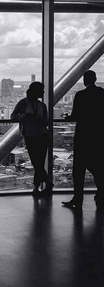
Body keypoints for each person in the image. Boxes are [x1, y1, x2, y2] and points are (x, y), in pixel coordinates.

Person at [62, 70, 104, 210]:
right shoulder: (102, 93)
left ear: (85, 80)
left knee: (78, 169)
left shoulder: (80, 95)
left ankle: (77, 198)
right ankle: (101, 194)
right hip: (98, 135)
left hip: (83, 136)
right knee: (98, 167)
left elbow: (75, 116)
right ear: (96, 79)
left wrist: (67, 117)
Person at [10, 82, 53, 196]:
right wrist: (25, 117)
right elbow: (13, 116)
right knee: (37, 162)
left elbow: (46, 121)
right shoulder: (28, 104)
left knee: (37, 162)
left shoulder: (36, 105)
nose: (43, 92)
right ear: (36, 91)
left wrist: (27, 118)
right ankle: (45, 183)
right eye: (41, 90)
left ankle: (38, 186)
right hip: (37, 135)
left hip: (35, 135)